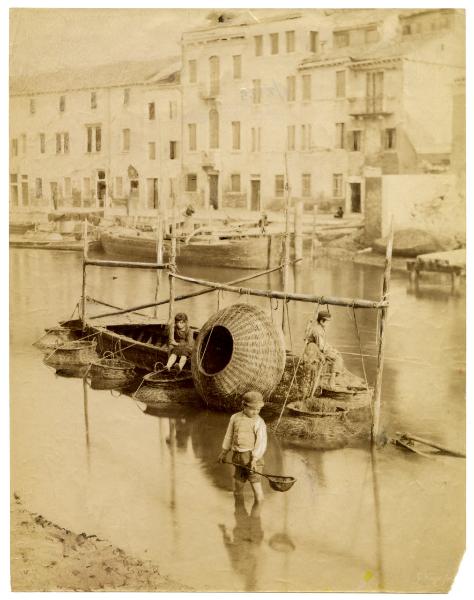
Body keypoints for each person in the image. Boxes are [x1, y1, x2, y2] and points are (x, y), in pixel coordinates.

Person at [218, 391, 267, 502]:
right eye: (252, 409)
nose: (255, 412)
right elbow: (229, 436)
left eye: (258, 409)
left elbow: (261, 442)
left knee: (257, 489)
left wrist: (254, 459)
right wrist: (224, 452)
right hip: (238, 458)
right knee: (237, 488)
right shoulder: (235, 418)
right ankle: (240, 515)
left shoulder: (259, 422)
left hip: (252, 459)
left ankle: (257, 515)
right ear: (244, 406)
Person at [304, 310, 344, 388]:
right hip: (314, 352)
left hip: (317, 349)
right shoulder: (318, 330)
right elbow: (321, 346)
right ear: (322, 321)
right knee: (336, 358)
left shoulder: (320, 328)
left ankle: (329, 380)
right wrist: (331, 352)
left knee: (337, 354)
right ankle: (331, 382)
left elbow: (324, 343)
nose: (329, 324)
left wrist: (332, 349)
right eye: (328, 322)